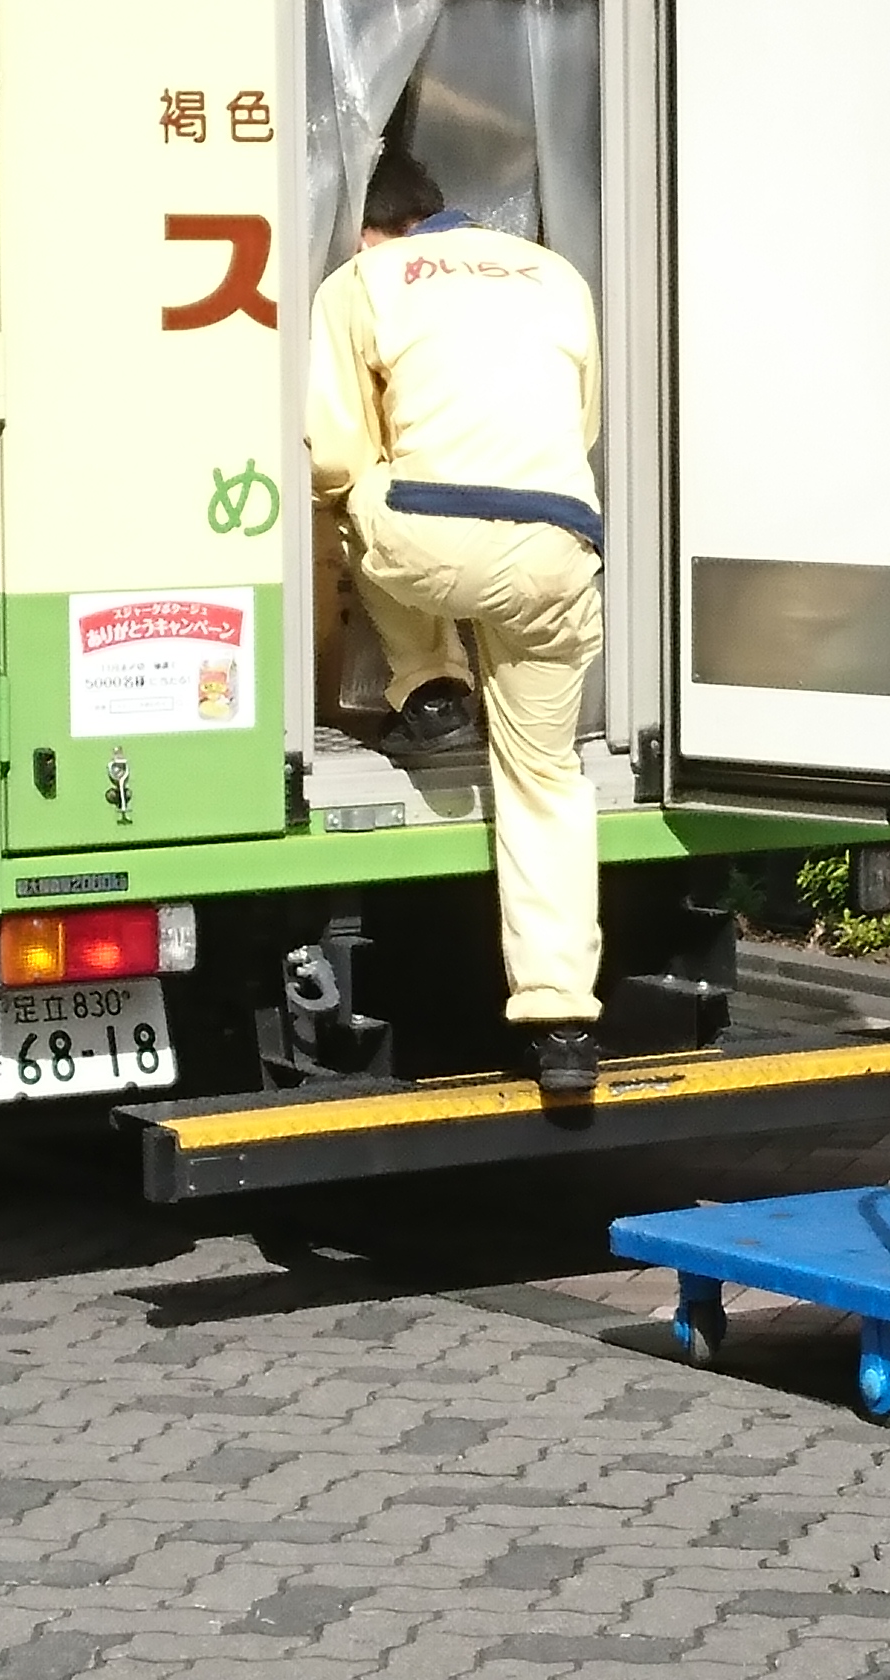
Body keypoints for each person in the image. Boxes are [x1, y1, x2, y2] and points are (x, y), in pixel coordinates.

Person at [306, 146, 610, 1093]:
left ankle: (429, 687)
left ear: (368, 232)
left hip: (429, 544)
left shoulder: (361, 282)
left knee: (359, 495)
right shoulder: (555, 272)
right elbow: (582, 424)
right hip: (560, 549)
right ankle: (562, 1021)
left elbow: (332, 454)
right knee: (546, 779)